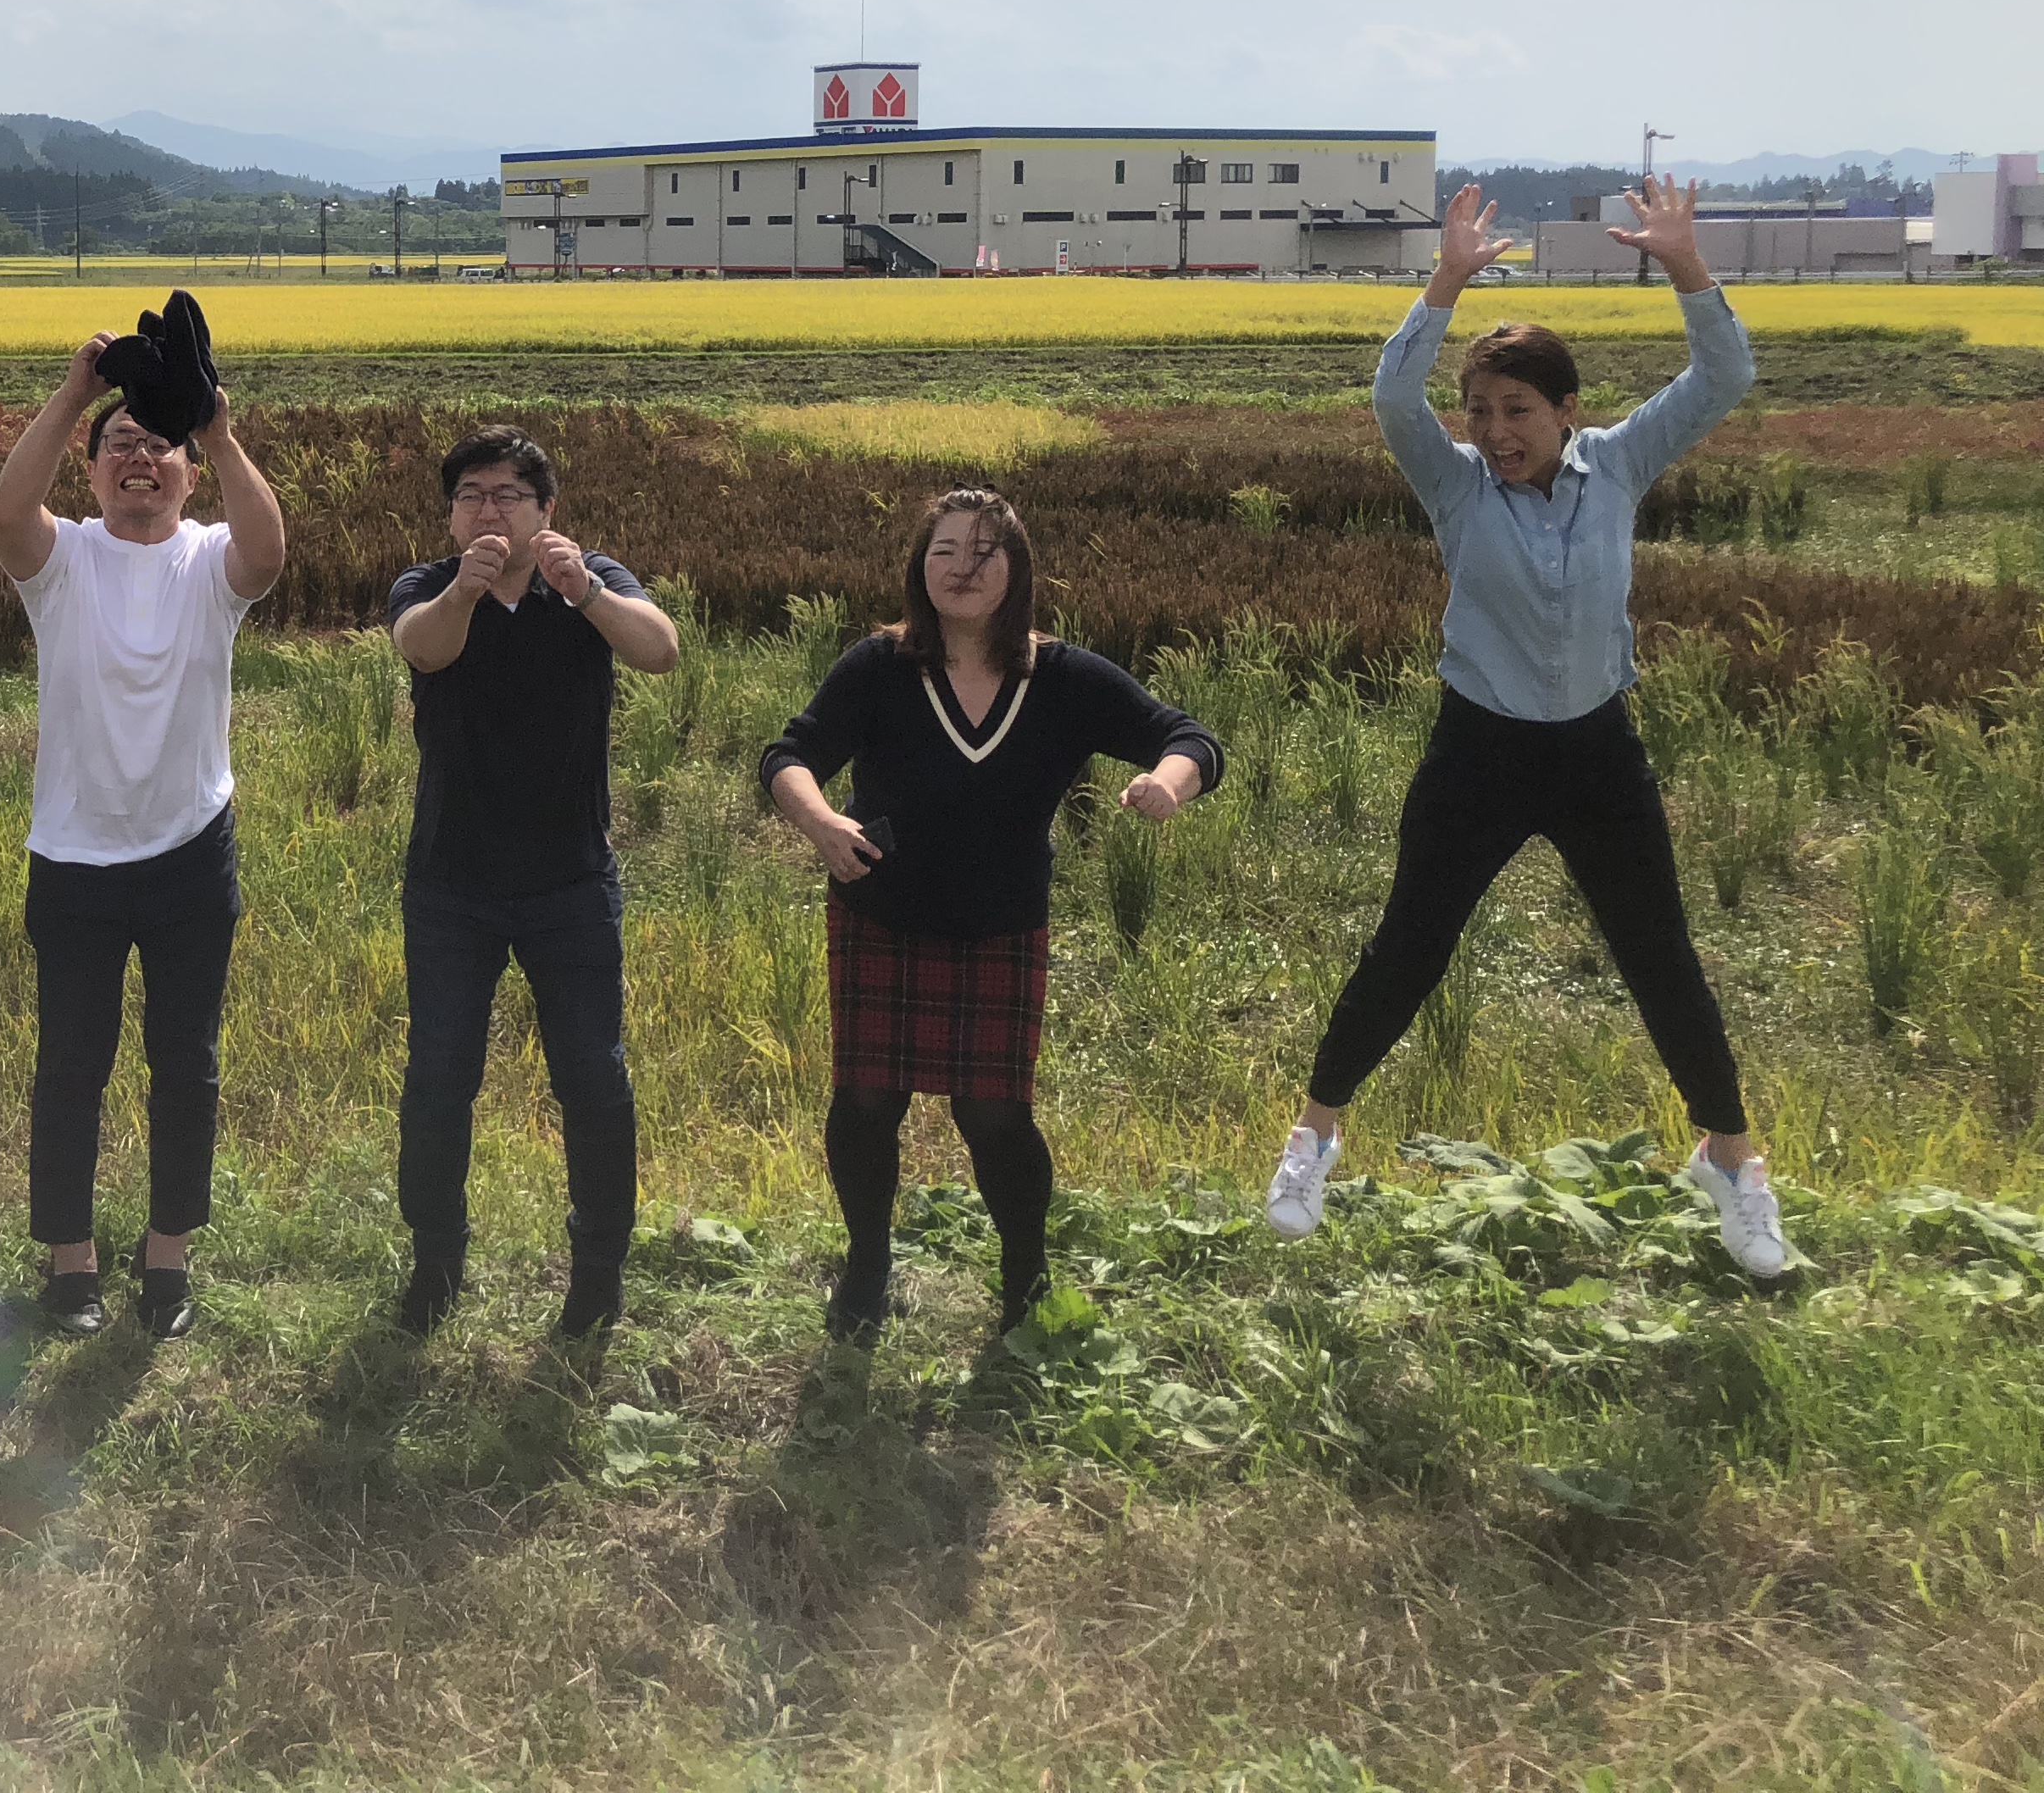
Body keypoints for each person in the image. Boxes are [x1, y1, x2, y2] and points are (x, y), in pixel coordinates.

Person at [1265, 176, 1790, 1276]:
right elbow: (1393, 397)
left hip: (1597, 751)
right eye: (1482, 412)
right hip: (1481, 752)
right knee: (1409, 947)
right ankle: (1313, 1139)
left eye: (1518, 411)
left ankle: (1730, 1161)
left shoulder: (1621, 464)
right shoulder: (1456, 488)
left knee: (1660, 956)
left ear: (1566, 411)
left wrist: (1685, 264)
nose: (1497, 433)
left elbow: (1725, 376)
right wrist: (1446, 283)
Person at [764, 488, 1219, 1341]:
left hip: (1001, 926)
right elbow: (790, 755)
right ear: (919, 567)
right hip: (880, 915)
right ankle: (867, 1266)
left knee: (994, 1113)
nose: (963, 569)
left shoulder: (1065, 678)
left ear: (1017, 570)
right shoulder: (879, 666)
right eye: (945, 551)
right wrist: (820, 822)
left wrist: (1167, 782)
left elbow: (1190, 739)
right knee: (867, 1100)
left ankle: (1025, 1275)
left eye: (984, 553)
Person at [0, 330, 287, 1341]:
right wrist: (75, 392)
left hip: (191, 849)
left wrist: (219, 429)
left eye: (161, 446)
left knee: (185, 1062)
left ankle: (168, 1257)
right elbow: (7, 513)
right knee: (71, 1064)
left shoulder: (210, 559)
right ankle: (70, 1263)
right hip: (74, 853)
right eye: (119, 443)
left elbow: (268, 554)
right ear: (92, 470)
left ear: (189, 477)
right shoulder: (63, 559)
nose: (140, 458)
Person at [387, 426, 680, 1339]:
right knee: (440, 1079)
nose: (490, 510)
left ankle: (598, 1269)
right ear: (450, 513)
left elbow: (660, 651)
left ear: (546, 509)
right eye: (471, 495)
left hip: (570, 882)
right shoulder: (429, 585)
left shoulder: (588, 579)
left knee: (593, 1080)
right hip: (452, 883)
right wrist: (467, 590)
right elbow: (422, 650)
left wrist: (584, 590)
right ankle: (436, 1258)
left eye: (509, 495)